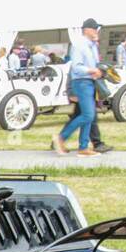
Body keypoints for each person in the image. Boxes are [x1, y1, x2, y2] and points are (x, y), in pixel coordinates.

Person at [53, 18, 102, 155]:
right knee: (88, 115)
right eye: (94, 28)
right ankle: (61, 137)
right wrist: (92, 71)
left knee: (89, 115)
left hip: (89, 82)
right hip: (81, 82)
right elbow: (76, 67)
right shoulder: (80, 45)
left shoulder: (92, 46)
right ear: (86, 30)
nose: (96, 31)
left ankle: (83, 147)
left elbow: (95, 63)